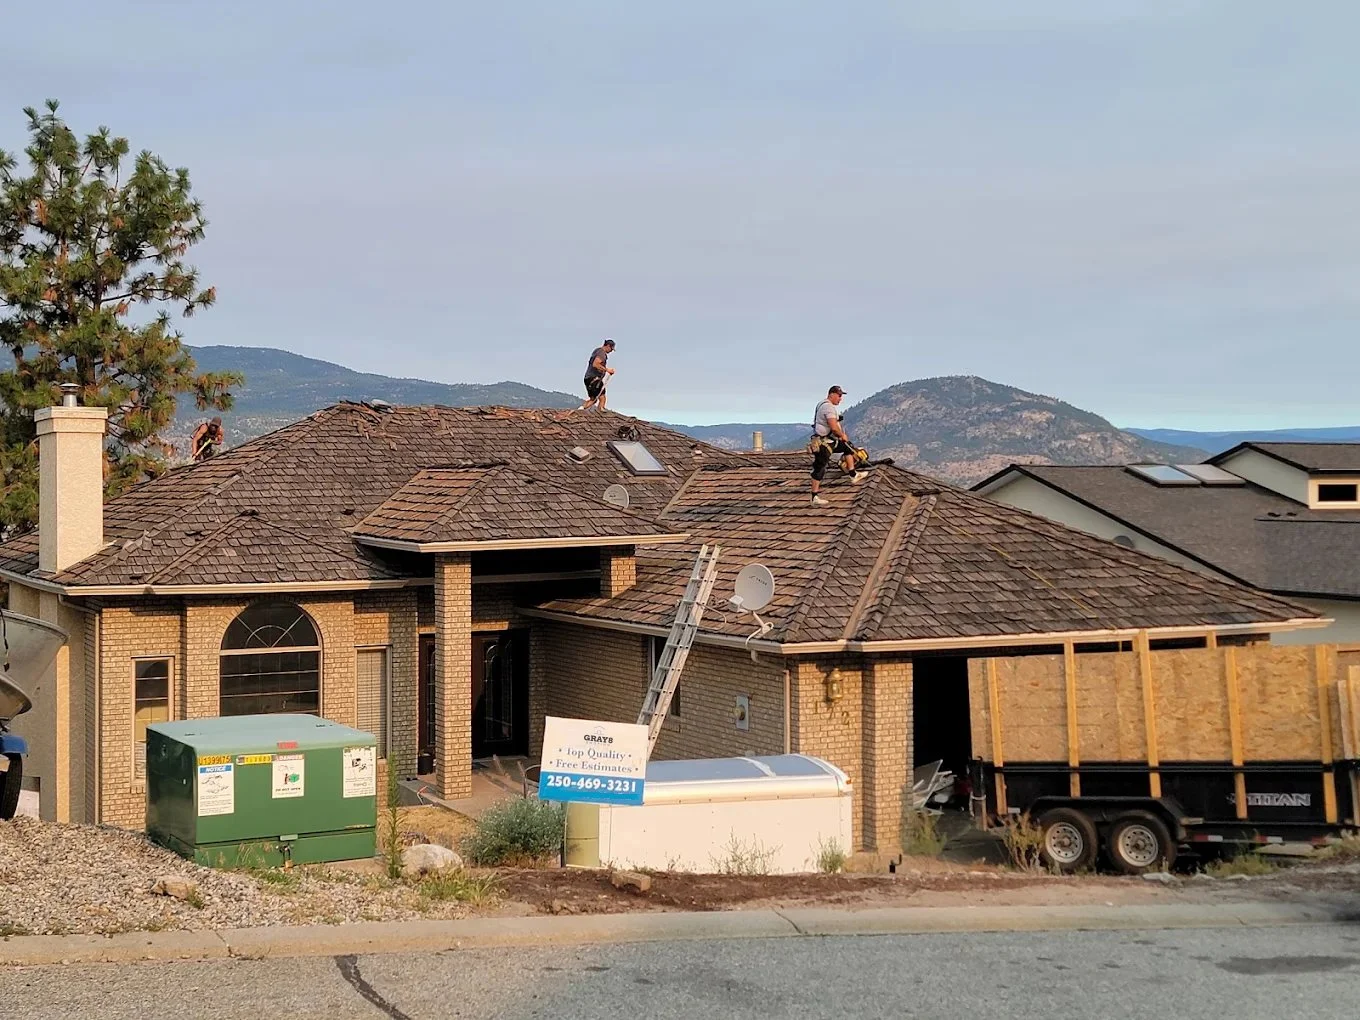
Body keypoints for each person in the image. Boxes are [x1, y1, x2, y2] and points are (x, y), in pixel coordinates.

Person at [809, 386, 867, 505]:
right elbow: (834, 428)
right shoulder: (828, 407)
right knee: (820, 467)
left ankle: (853, 474)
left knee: (847, 447)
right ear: (832, 394)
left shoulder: (822, 405)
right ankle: (814, 497)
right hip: (823, 443)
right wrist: (841, 435)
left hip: (827, 441)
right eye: (839, 396)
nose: (840, 399)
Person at [576, 338, 616, 412]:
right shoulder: (602, 353)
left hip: (588, 378)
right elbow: (596, 364)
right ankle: (600, 412)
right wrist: (607, 370)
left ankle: (580, 409)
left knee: (593, 400)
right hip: (594, 379)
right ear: (608, 346)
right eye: (611, 349)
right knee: (602, 397)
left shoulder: (597, 351)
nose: (611, 351)